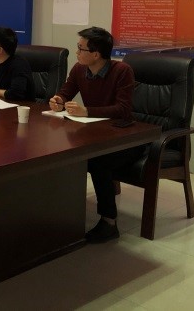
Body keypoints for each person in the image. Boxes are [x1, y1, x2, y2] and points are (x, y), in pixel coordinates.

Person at [48, 26, 138, 243]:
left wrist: (87, 111)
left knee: (99, 162)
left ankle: (109, 222)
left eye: (81, 48)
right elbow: (66, 92)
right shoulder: (79, 69)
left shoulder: (122, 71)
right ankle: (61, 210)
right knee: (61, 152)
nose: (77, 52)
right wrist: (58, 100)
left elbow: (123, 109)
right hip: (94, 134)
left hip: (125, 138)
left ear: (96, 54)